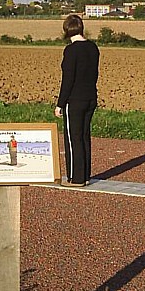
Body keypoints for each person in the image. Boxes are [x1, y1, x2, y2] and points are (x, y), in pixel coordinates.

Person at [54, 14, 99, 187]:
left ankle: (75, 178)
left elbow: (68, 80)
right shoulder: (93, 48)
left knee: (73, 139)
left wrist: (60, 104)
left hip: (74, 100)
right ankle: (86, 175)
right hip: (90, 97)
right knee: (84, 137)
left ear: (66, 30)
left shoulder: (71, 50)